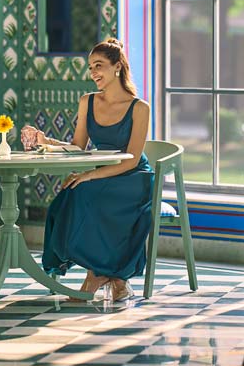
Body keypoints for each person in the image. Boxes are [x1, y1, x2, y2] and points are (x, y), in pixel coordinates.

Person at [22, 38, 154, 301]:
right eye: (91, 67)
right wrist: (45, 141)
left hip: (133, 178)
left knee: (85, 192)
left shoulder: (140, 108)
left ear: (117, 67)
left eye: (99, 65)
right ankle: (113, 278)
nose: (93, 72)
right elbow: (78, 147)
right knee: (70, 195)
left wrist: (89, 175)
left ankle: (94, 276)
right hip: (104, 175)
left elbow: (130, 160)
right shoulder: (88, 102)